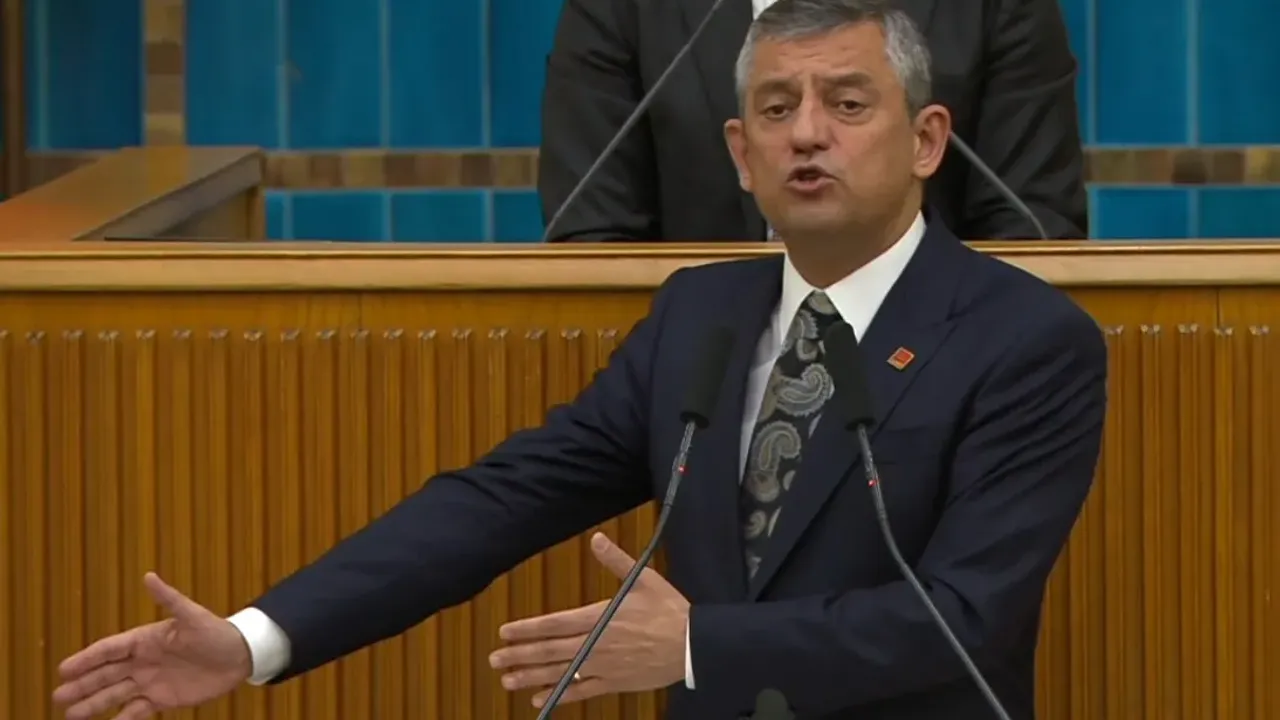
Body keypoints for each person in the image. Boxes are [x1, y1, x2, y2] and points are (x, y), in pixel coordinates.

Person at [52, 1, 1107, 718]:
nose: (806, 135)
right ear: (740, 156)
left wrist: (695, 649)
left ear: (925, 140)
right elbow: (501, 500)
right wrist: (257, 637)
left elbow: (965, 616)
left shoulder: (1023, 339)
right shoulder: (702, 315)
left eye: (847, 103)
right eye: (777, 109)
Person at [538, 0, 1088, 242]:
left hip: (939, 373)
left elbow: (1033, 228)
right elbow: (591, 231)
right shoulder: (619, 8)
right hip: (694, 376)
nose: (807, 135)